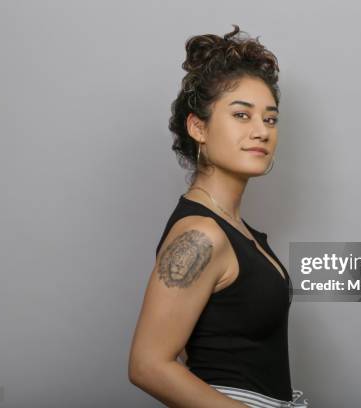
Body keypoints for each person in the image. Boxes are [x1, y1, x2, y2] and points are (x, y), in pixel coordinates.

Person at [128, 25, 309, 408]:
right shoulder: (199, 234)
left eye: (270, 119)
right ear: (198, 127)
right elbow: (148, 364)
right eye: (242, 115)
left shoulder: (237, 230)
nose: (261, 131)